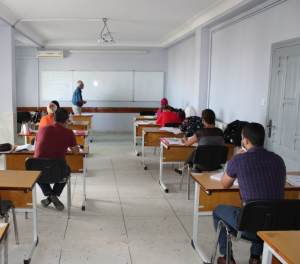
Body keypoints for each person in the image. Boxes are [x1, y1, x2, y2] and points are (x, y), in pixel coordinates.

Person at [213, 123, 286, 264]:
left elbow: (225, 183)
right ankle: (255, 258)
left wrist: (234, 161)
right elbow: (281, 185)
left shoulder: (239, 159)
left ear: (245, 140)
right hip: (275, 222)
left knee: (218, 211)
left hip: (248, 226)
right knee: (265, 207)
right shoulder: (278, 159)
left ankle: (228, 257)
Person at [34, 108, 79, 211]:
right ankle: (54, 195)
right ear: (67, 120)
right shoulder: (69, 132)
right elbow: (76, 152)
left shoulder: (42, 129)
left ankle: (50, 195)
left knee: (35, 170)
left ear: (53, 118)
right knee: (66, 170)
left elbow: (36, 148)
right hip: (57, 170)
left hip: (38, 169)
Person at [175, 109, 224, 174]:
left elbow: (187, 144)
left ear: (203, 120)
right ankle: (184, 167)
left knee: (198, 150)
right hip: (216, 164)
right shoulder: (220, 132)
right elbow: (222, 146)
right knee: (201, 149)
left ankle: (184, 167)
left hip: (201, 164)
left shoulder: (200, 132)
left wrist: (185, 138)